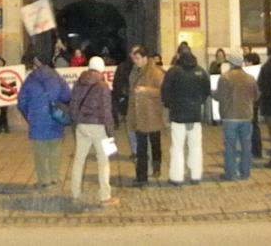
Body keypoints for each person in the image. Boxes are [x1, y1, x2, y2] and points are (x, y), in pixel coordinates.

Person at [17, 50, 71, 188]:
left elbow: (21, 102)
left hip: (37, 121)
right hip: (55, 119)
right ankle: (54, 177)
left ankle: (44, 180)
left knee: (40, 153)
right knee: (55, 149)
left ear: (36, 63)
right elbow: (67, 96)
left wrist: (29, 116)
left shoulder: (30, 80)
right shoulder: (57, 77)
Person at [70, 56, 118, 205]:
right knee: (103, 161)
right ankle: (105, 196)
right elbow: (106, 112)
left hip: (81, 125)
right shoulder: (103, 86)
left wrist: (76, 123)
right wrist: (110, 132)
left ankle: (75, 193)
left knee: (79, 160)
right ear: (101, 69)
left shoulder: (79, 83)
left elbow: (73, 105)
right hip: (98, 126)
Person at [161, 50, 210, 185]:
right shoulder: (200, 71)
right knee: (195, 146)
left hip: (178, 115)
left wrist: (170, 105)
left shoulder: (173, 71)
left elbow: (165, 91)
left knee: (177, 147)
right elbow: (206, 90)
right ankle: (196, 175)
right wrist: (198, 102)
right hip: (195, 114)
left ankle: (177, 177)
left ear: (179, 57)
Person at [213, 53, 259, 181]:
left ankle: (231, 173)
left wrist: (212, 92)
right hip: (246, 115)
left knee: (230, 146)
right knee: (246, 146)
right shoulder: (250, 78)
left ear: (230, 63)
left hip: (230, 116)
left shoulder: (225, 77)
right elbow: (256, 96)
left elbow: (220, 97)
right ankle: (245, 172)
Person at [128, 45, 165, 186]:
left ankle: (156, 167)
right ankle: (141, 177)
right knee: (141, 148)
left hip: (152, 114)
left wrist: (146, 90)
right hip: (138, 115)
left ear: (145, 58)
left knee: (155, 143)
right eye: (134, 58)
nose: (135, 61)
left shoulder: (155, 72)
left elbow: (162, 92)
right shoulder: (134, 71)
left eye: (137, 58)